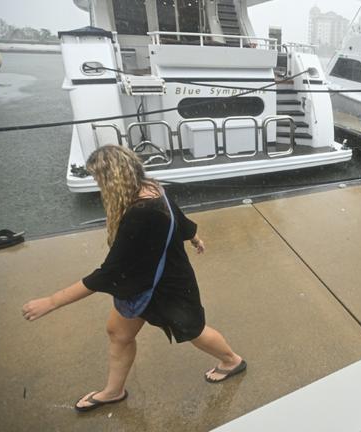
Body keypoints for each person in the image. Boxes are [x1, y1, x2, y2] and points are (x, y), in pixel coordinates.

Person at [22, 145, 246, 412]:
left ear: (111, 178)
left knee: (194, 331)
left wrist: (52, 301)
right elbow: (178, 217)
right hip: (139, 283)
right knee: (118, 333)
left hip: (167, 287)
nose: (97, 185)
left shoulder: (141, 213)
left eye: (98, 179)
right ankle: (113, 391)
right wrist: (194, 236)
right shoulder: (152, 188)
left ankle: (232, 361)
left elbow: (108, 273)